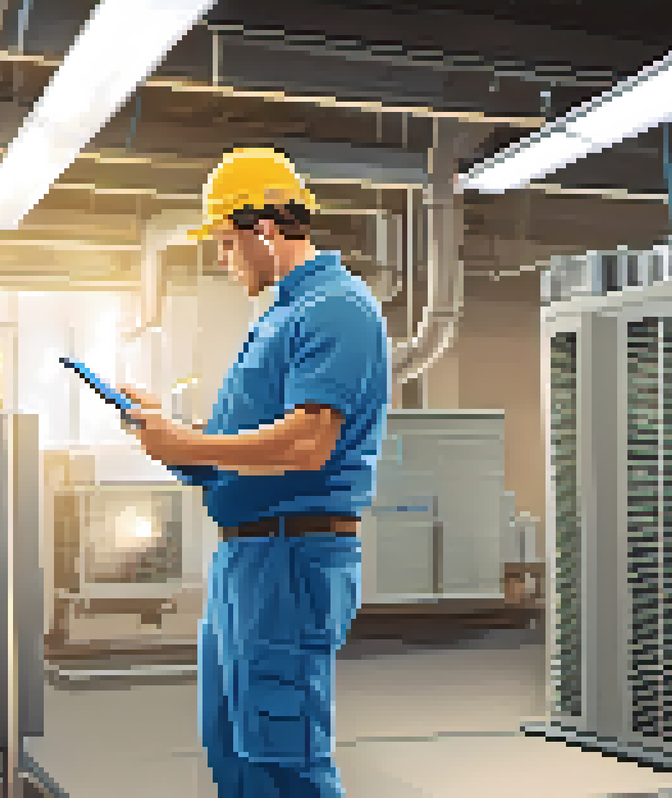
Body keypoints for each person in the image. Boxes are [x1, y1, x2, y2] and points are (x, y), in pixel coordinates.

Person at [116, 147, 389, 798]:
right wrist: (175, 440)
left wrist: (190, 444)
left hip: (291, 558)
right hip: (247, 560)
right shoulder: (279, 316)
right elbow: (239, 448)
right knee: (234, 752)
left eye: (224, 242)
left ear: (265, 230)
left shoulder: (338, 308)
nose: (221, 258)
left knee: (283, 757)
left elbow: (308, 443)